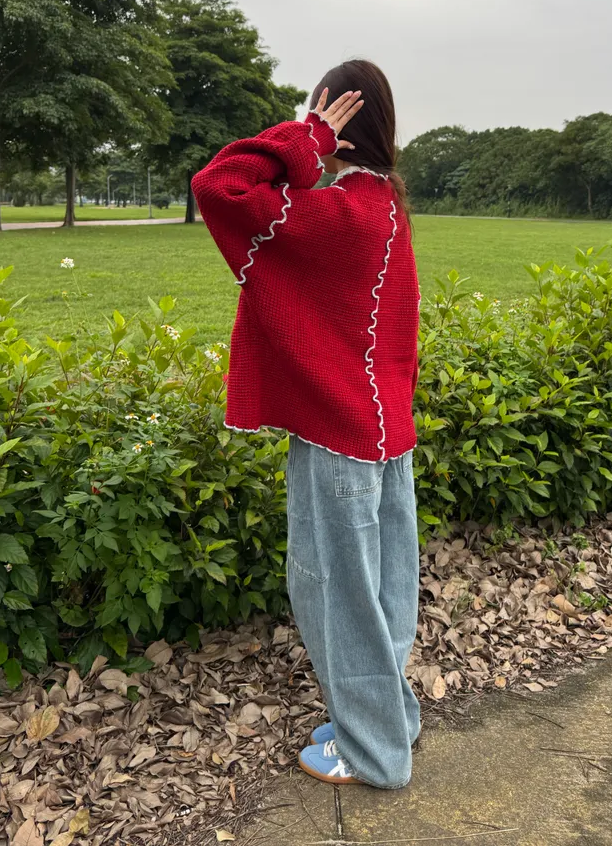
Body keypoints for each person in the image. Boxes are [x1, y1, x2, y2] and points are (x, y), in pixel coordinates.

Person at [191, 59, 421, 789]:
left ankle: (373, 752)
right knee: (383, 590)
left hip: (338, 436)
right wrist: (322, 141)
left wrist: (307, 138)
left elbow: (219, 186)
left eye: (317, 112)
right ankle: (388, 720)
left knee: (336, 596)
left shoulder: (336, 215)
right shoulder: (385, 206)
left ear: (338, 120)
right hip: (385, 435)